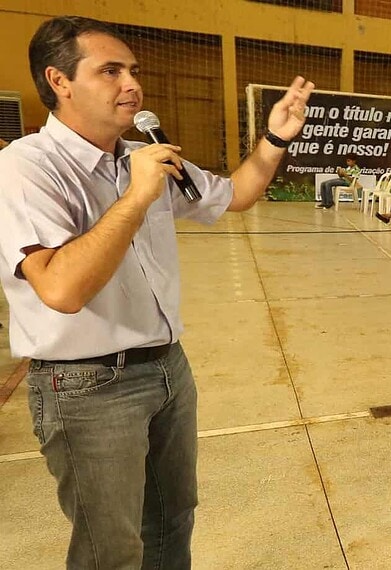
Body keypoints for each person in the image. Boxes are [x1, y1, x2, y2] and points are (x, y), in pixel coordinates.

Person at [0, 17, 314, 568]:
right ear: (59, 80)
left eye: (134, 71)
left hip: (168, 369)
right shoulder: (25, 168)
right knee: (110, 549)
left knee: (172, 521)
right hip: (87, 387)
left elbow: (234, 195)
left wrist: (275, 137)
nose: (132, 85)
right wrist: (138, 196)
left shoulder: (140, 155)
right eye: (110, 71)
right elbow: (61, 287)